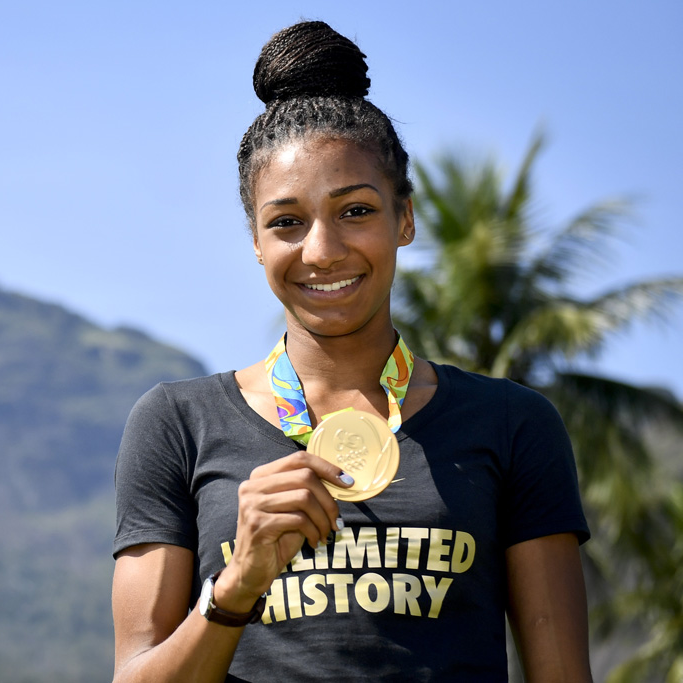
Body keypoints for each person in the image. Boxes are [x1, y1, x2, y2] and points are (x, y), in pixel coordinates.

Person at [111, 20, 591, 683]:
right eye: (286, 221)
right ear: (255, 240)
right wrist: (236, 583)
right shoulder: (177, 423)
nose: (322, 250)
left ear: (405, 218)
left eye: (355, 210)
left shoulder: (513, 424)